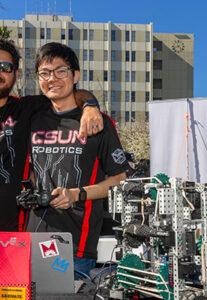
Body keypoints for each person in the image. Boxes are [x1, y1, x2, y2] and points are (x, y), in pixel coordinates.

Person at [26, 42, 128, 278]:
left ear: (75, 76)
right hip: (31, 238)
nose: (53, 79)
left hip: (75, 246)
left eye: (61, 71)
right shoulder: (32, 119)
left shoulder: (98, 123)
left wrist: (76, 194)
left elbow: (119, 180)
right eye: (45, 73)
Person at [0, 39, 103, 232]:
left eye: (5, 67)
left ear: (15, 74)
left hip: (12, 237)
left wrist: (90, 106)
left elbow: (69, 94)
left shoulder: (25, 109)